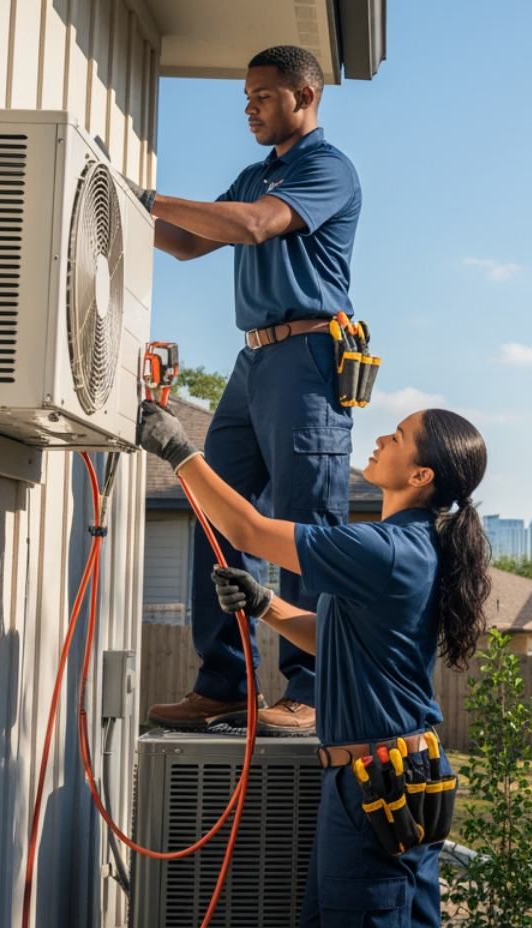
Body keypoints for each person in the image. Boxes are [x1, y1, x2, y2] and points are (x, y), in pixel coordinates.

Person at [138, 400, 491, 927]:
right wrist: (266, 605)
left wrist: (178, 450)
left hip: (378, 779)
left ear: (420, 475)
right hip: (371, 774)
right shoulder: (406, 547)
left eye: (396, 437)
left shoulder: (386, 549)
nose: (380, 441)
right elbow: (339, 637)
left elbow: (249, 531)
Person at [141, 44, 363, 733]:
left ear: (306, 96)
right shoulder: (253, 175)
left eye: (262, 97)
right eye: (245, 98)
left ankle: (312, 688)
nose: (249, 109)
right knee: (214, 510)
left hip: (309, 356)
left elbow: (256, 225)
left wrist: (148, 193)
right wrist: (116, 198)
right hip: (254, 364)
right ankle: (225, 683)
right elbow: (184, 241)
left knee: (305, 527)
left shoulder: (326, 169)